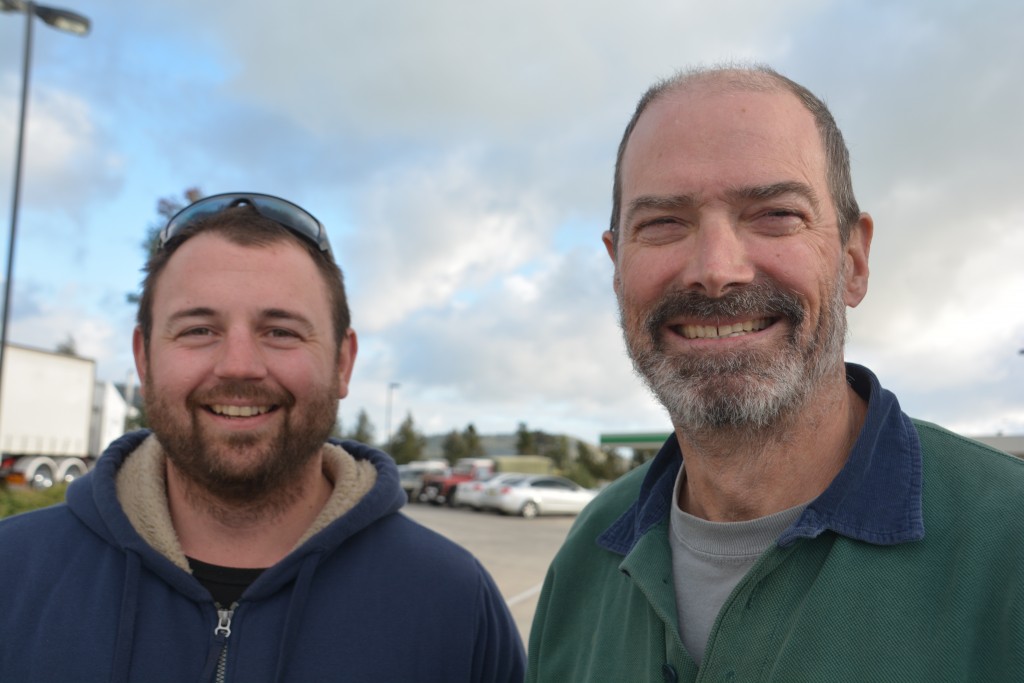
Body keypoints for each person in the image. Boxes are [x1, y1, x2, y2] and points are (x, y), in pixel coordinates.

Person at [527, 66, 1024, 682]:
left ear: (854, 260)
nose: (715, 269)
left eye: (775, 214)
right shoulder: (590, 550)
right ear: (616, 267)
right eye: (662, 224)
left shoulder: (1008, 545)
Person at [0, 193, 525, 682]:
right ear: (143, 360)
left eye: (281, 331)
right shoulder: (13, 571)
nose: (240, 366)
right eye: (198, 329)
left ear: (343, 362)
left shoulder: (454, 601)